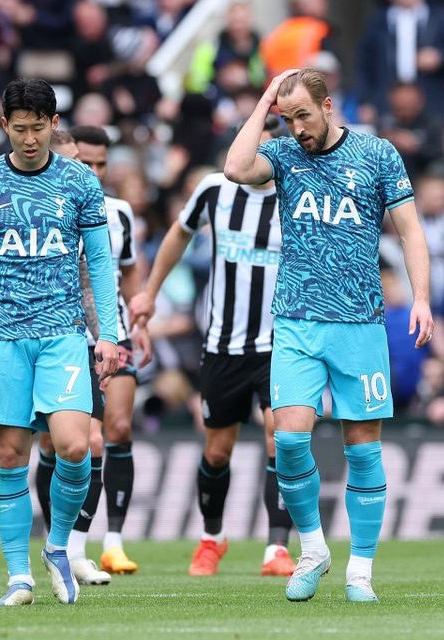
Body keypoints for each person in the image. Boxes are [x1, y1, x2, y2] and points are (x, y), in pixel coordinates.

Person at [223, 68, 434, 603]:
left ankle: (360, 569)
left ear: (328, 106)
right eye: (286, 118)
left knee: (363, 450)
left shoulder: (378, 154)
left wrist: (422, 298)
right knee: (289, 441)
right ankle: (313, 550)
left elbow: (410, 230)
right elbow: (235, 166)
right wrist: (265, 100)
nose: (297, 128)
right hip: (295, 320)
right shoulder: (283, 155)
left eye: (303, 116)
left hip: (360, 324)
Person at [0, 78, 121, 607]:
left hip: (64, 333)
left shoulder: (80, 184)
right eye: (19, 129)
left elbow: (101, 263)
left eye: (38, 128)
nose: (29, 139)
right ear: (4, 126)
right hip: (2, 335)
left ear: (54, 124)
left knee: (74, 445)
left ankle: (58, 546)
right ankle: (19, 575)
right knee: (10, 454)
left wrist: (107, 332)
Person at [130, 115, 297, 578]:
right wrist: (149, 291)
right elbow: (178, 235)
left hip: (281, 343)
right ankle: (213, 536)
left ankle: (276, 548)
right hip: (223, 343)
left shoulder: (296, 197)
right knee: (217, 450)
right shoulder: (214, 189)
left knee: (280, 440)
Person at [36, 125, 151, 585]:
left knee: (114, 431)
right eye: (87, 163)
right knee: (60, 445)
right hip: (64, 338)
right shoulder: (48, 206)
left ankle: (106, 543)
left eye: (102, 164)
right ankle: (59, 540)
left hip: (112, 333)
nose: (95, 172)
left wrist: (140, 321)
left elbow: (128, 269)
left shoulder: (119, 213)